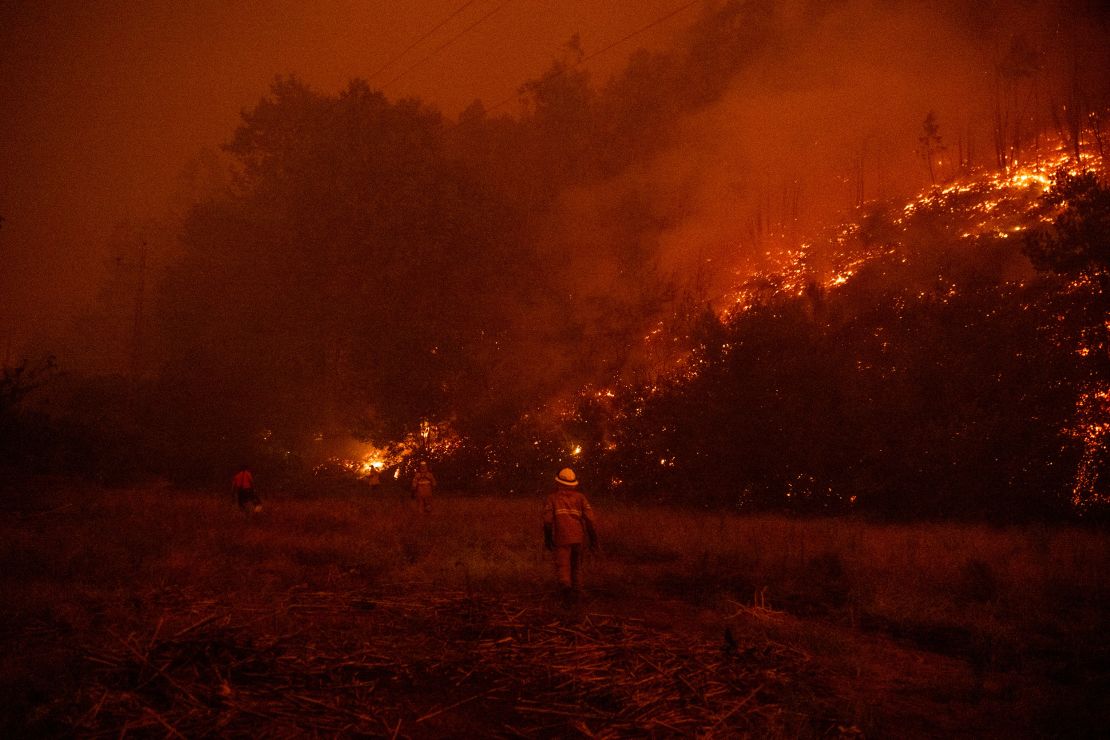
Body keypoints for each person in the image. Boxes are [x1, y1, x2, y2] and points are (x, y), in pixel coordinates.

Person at [543, 467, 598, 604]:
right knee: (576, 567)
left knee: (563, 567)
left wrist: (548, 538)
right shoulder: (581, 498)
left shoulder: (552, 498)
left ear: (558, 483)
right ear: (573, 484)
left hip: (561, 539)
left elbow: (548, 521)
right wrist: (593, 539)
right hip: (578, 538)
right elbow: (590, 520)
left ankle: (566, 596)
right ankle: (578, 595)